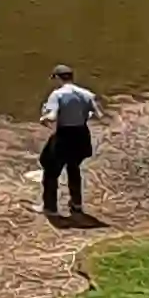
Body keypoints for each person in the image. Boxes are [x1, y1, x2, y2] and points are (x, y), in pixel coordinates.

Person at [41, 64, 102, 224]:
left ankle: (50, 208)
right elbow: (97, 114)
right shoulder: (87, 94)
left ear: (57, 78)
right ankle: (76, 205)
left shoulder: (57, 95)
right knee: (73, 168)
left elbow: (53, 116)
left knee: (51, 170)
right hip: (81, 135)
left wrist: (44, 118)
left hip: (65, 135)